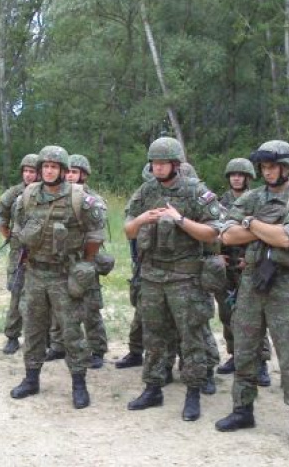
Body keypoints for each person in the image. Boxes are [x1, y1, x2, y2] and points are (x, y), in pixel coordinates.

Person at [214, 140, 289, 451]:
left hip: (286, 286)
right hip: (251, 282)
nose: (268, 172)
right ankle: (242, 410)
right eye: (264, 167)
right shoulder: (252, 197)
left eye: (273, 167)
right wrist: (264, 227)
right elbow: (227, 235)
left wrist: (251, 223)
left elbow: (287, 239)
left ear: (287, 168)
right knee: (245, 349)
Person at [123, 137, 225, 421]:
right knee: (153, 335)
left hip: (185, 276)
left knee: (191, 336)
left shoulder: (196, 191)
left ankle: (193, 392)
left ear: (175, 164)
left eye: (163, 163)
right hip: (152, 275)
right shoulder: (146, 191)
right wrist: (142, 219)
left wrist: (180, 219)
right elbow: (128, 230)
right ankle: (153, 388)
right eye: (154, 163)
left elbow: (213, 232)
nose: (157, 168)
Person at [9, 145, 106, 409]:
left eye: (54, 167)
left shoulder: (79, 198)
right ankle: (31, 378)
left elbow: (96, 233)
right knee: (33, 328)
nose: (49, 171)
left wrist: (85, 262)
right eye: (45, 167)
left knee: (72, 330)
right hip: (35, 273)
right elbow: (17, 229)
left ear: (62, 170)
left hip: (64, 274)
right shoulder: (28, 196)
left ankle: (79, 383)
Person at [44, 154, 109, 368]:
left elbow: (97, 232)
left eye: (75, 172)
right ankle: (58, 345)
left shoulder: (92, 199)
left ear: (84, 175)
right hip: (60, 261)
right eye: (68, 171)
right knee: (58, 307)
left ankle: (97, 349)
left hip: (84, 261)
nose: (70, 176)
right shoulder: (56, 196)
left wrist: (87, 261)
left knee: (90, 307)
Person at [215, 158, 273, 388]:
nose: (237, 178)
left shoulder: (257, 200)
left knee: (254, 316)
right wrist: (216, 254)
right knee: (227, 313)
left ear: (249, 178)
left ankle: (261, 361)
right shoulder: (220, 202)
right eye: (233, 175)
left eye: (241, 175)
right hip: (225, 265)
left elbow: (264, 233)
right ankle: (235, 354)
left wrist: (250, 259)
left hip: (249, 265)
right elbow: (214, 230)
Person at [0, 153, 39, 355]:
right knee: (16, 292)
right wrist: (11, 236)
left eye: (33, 171)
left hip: (41, 252)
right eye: (26, 171)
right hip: (19, 252)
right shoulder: (13, 193)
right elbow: (0, 218)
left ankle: (45, 337)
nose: (29, 175)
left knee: (41, 295)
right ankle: (12, 336)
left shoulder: (46, 192)